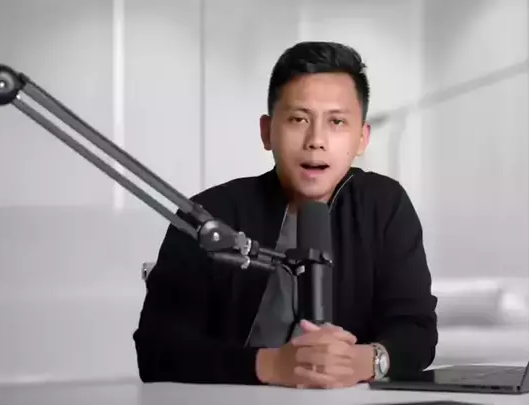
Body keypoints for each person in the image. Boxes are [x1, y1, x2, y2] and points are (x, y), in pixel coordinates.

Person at [133, 41, 438, 389]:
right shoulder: (211, 216)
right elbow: (157, 350)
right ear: (267, 131)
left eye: (337, 122)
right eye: (298, 119)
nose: (316, 140)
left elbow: (417, 331)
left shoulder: (384, 205)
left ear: (361, 139)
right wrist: (272, 365)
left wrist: (367, 360)